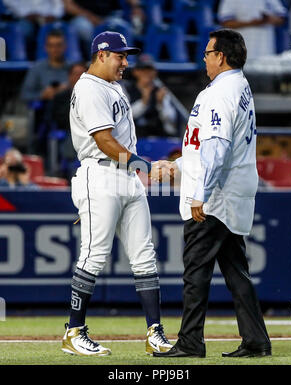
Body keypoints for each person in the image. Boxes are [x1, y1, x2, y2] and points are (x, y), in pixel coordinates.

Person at [154, 29, 271, 358]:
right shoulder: (238, 86)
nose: (204, 58)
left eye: (208, 53)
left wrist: (200, 193)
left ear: (221, 56)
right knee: (235, 270)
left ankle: (191, 341)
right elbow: (208, 147)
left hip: (215, 193)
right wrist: (178, 167)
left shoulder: (220, 93)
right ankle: (256, 340)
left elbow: (217, 148)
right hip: (230, 188)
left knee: (195, 270)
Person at [61, 31, 172, 357]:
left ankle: (154, 332)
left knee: (144, 254)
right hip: (101, 175)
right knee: (93, 254)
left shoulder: (113, 86)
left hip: (125, 179)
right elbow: (104, 143)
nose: (126, 62)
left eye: (126, 55)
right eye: (120, 56)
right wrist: (145, 166)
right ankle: (74, 331)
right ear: (101, 55)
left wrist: (137, 169)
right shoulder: (89, 87)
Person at [21, 29, 69, 154]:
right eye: (51, 46)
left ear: (65, 47)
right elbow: (25, 95)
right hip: (45, 114)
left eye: (58, 45)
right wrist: (42, 95)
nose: (55, 49)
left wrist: (66, 90)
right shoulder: (37, 69)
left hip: (71, 111)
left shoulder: (72, 68)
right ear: (46, 47)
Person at [124, 54, 177, 138]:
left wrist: (160, 104)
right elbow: (124, 116)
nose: (147, 73)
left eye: (150, 70)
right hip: (133, 138)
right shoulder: (126, 89)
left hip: (157, 138)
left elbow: (171, 120)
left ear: (155, 72)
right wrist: (143, 102)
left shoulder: (161, 91)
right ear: (135, 72)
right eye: (143, 70)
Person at [218, 0, 287, 59]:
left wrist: (268, 19)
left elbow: (282, 19)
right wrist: (251, 23)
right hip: (239, 51)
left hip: (266, 50)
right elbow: (225, 22)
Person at [50, 62, 88, 168]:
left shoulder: (96, 96)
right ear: (69, 77)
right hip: (70, 131)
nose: (80, 77)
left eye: (83, 74)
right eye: (76, 74)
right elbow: (57, 118)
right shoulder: (61, 97)